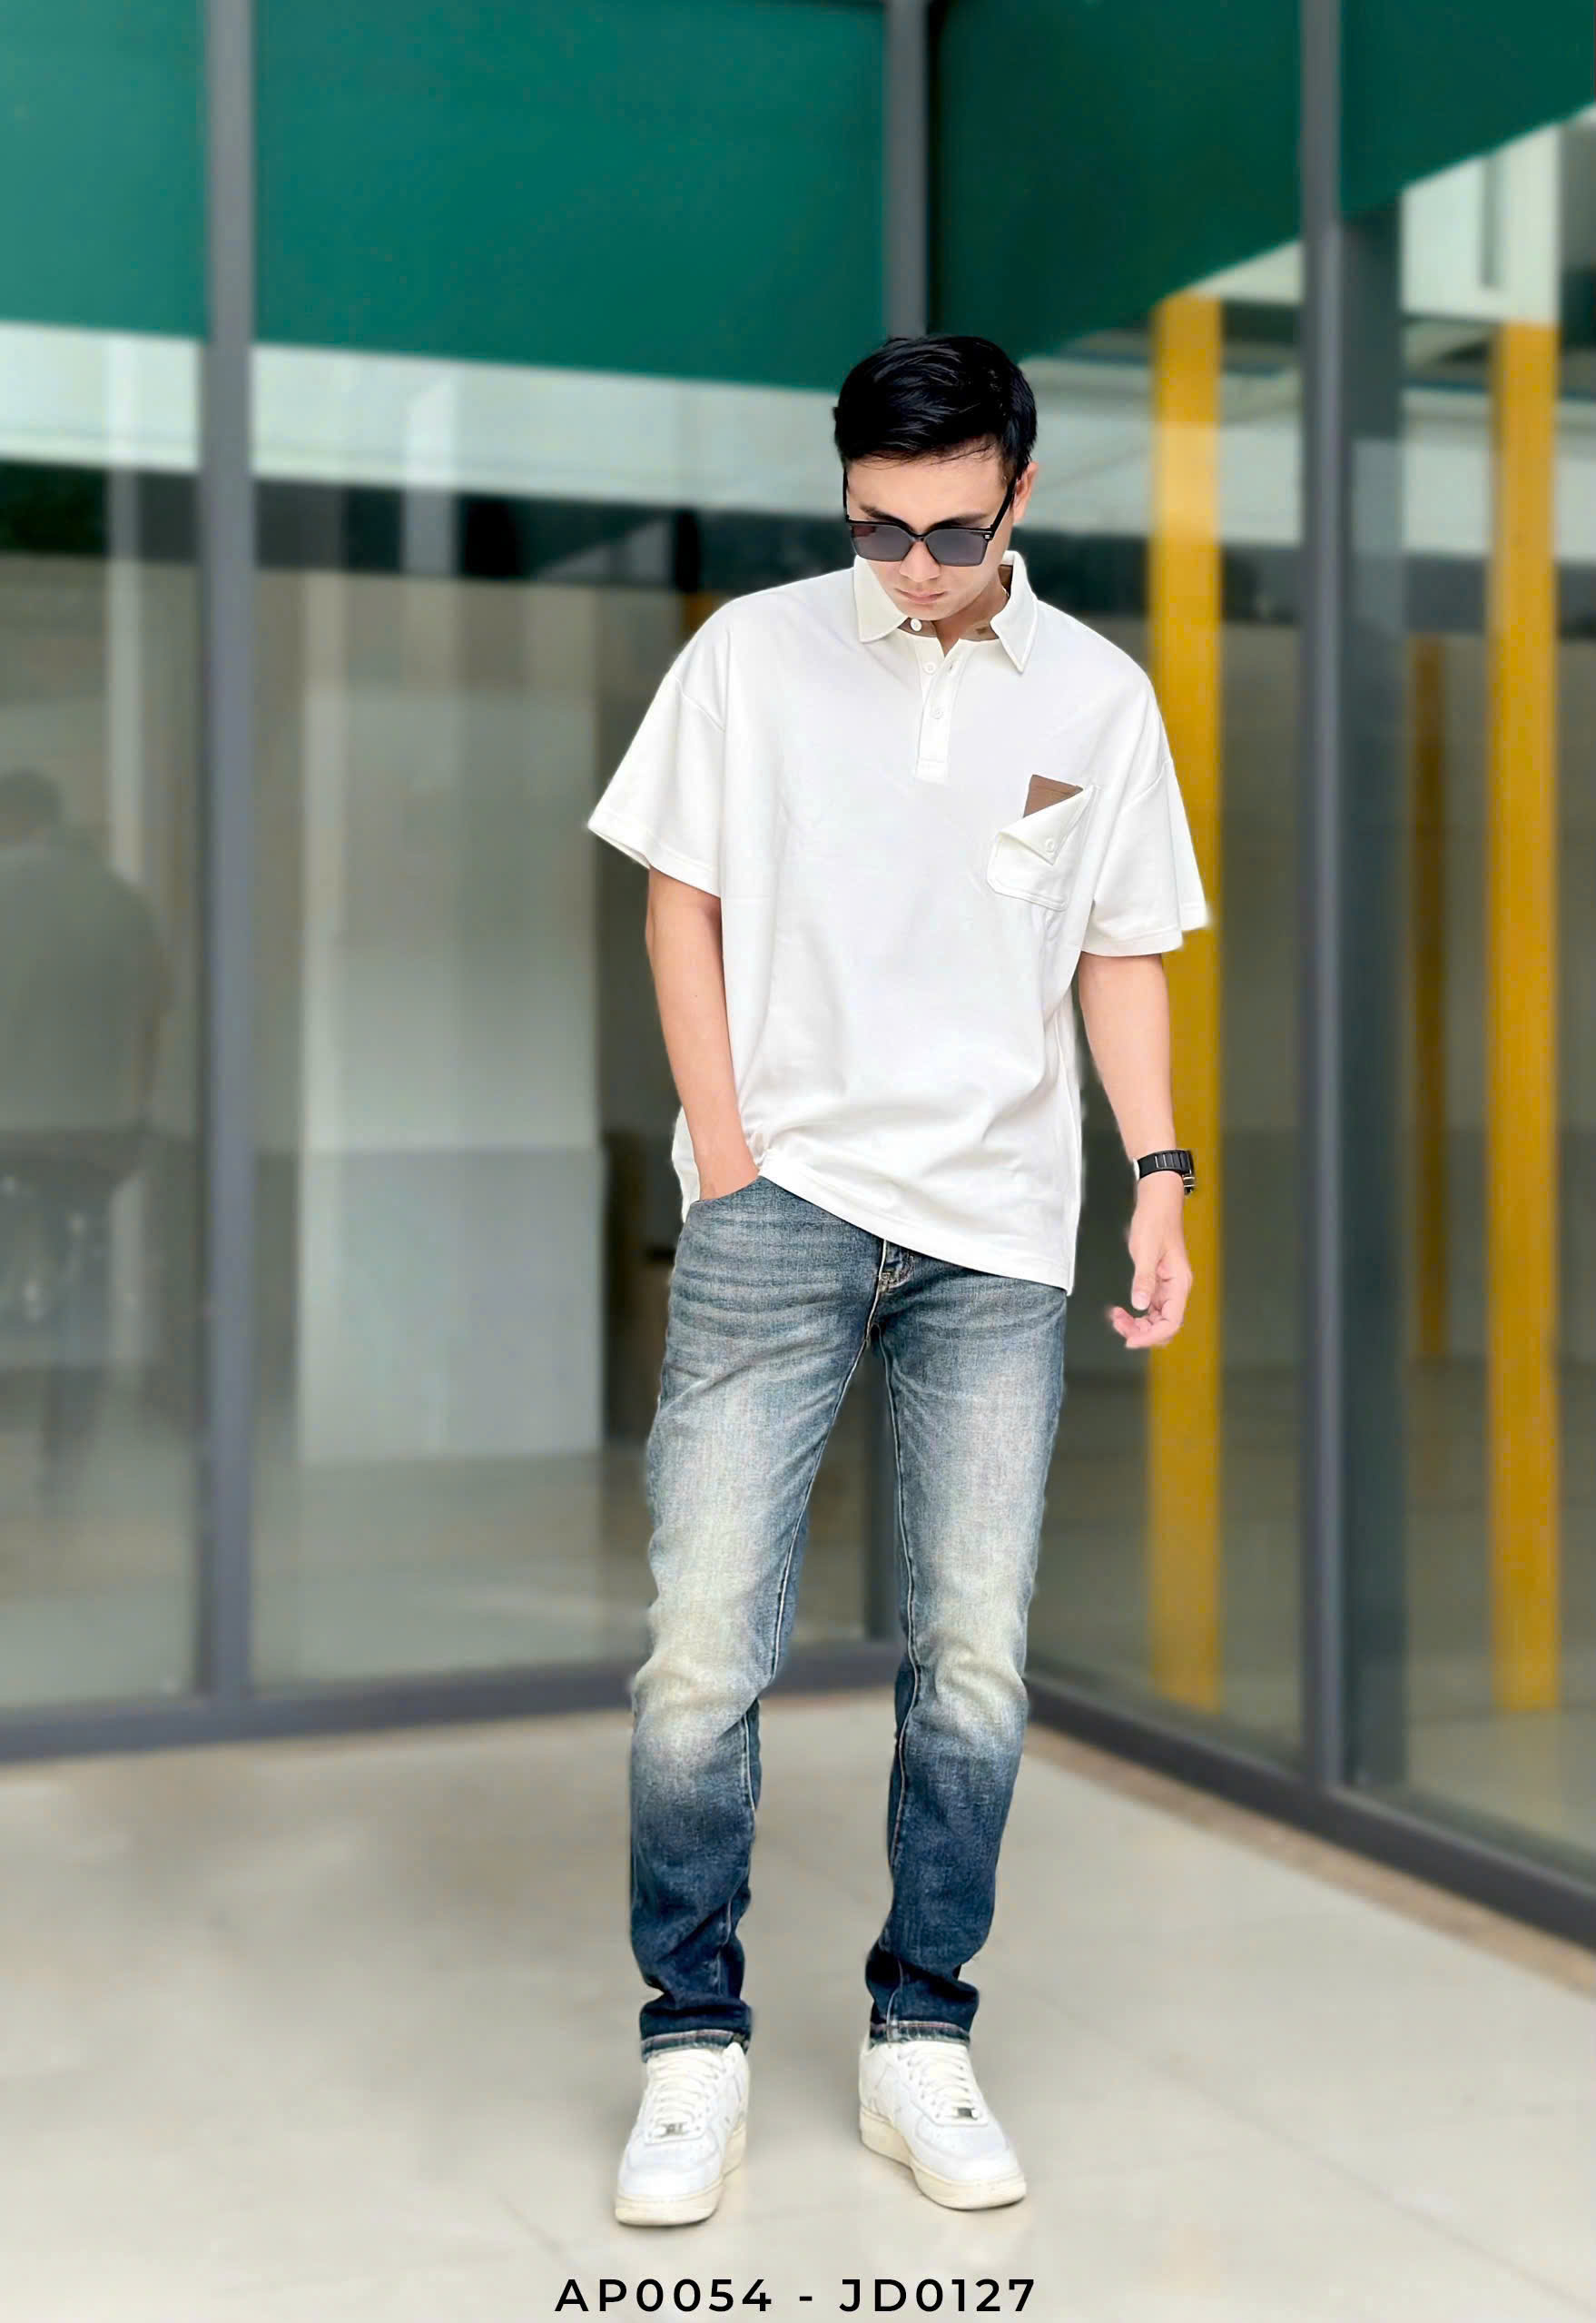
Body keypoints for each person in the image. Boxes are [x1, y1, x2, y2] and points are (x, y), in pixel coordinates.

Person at [586, 334, 1207, 2227]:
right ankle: (691, 2040)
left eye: (949, 531)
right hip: (777, 1205)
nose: (912, 567)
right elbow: (678, 897)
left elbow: (1117, 949)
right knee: (702, 1647)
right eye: (875, 527)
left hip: (996, 1232)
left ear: (1019, 490)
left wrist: (1158, 1176)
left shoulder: (1097, 695)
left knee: (975, 1655)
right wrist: (730, 1155)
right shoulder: (751, 656)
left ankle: (920, 2029)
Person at [0, 769, 170, 1493]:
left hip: (8, 1126)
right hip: (97, 1132)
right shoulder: (121, 900)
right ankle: (66, 1450)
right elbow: (154, 1012)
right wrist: (133, 1111)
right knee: (82, 1283)